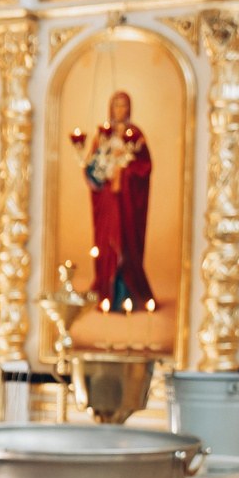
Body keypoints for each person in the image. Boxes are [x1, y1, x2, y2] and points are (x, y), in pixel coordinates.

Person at [72, 91, 155, 312]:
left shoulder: (135, 135)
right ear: (111, 108)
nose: (120, 110)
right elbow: (92, 166)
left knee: (125, 243)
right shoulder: (103, 135)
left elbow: (144, 168)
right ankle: (106, 291)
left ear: (129, 108)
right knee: (105, 242)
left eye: (124, 105)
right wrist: (100, 173)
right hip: (108, 200)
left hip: (126, 201)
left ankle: (127, 293)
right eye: (116, 105)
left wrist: (124, 173)